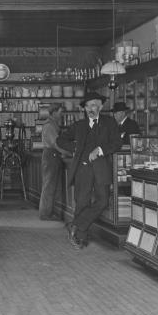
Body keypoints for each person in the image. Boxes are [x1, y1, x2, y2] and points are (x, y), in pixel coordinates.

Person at [56, 91, 122, 249]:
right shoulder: (78, 126)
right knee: (82, 202)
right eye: (89, 106)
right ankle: (79, 238)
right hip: (83, 169)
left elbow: (117, 143)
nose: (92, 108)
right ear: (85, 109)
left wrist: (99, 150)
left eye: (95, 105)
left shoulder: (109, 122)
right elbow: (60, 140)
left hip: (102, 169)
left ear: (100, 106)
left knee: (103, 201)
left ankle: (76, 224)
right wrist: (76, 149)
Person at [38, 103, 72, 220]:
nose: (61, 114)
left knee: (52, 185)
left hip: (53, 155)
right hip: (51, 155)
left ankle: (49, 212)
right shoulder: (50, 126)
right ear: (54, 112)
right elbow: (55, 144)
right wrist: (68, 153)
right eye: (60, 112)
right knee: (49, 186)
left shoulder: (52, 124)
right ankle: (45, 214)